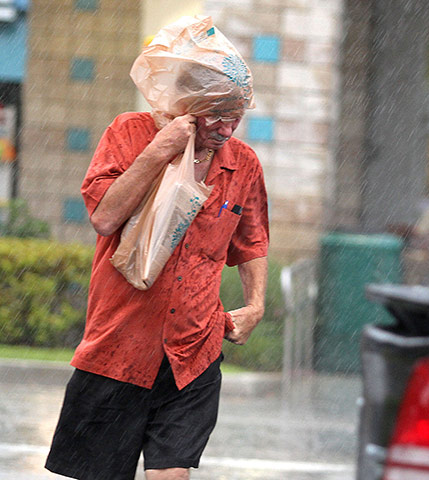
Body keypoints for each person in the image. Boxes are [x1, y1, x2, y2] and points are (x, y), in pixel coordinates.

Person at [45, 19, 269, 480]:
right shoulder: (128, 134)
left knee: (172, 475)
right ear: (185, 106)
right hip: (118, 348)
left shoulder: (243, 164)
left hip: (194, 353)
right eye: (215, 116)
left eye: (235, 116)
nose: (227, 129)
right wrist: (158, 151)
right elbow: (105, 218)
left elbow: (252, 241)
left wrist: (256, 304)